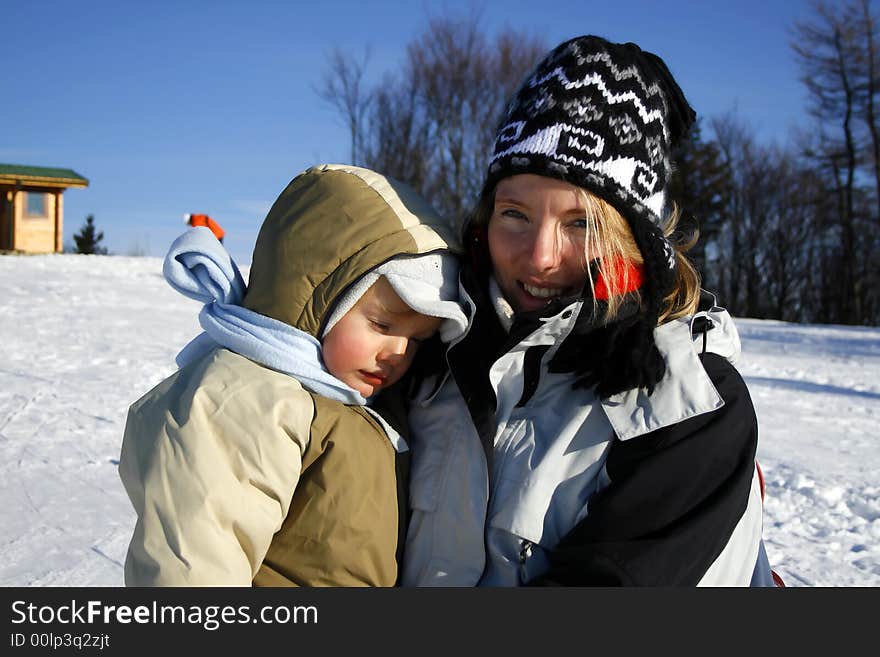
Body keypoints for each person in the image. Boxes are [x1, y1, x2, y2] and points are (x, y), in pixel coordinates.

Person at [400, 35, 777, 586]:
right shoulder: (429, 357)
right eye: (515, 214)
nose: (539, 257)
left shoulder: (688, 406)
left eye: (581, 224)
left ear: (633, 239)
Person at [120, 164, 467, 586]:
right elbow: (193, 565)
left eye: (418, 340)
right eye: (382, 325)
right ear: (319, 296)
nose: (398, 352)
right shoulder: (252, 397)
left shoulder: (352, 403)